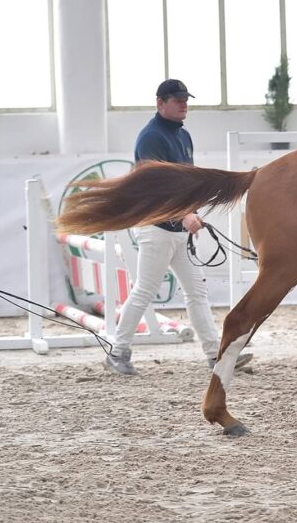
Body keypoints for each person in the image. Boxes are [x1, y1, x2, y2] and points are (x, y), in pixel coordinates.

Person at [104, 79, 253, 375]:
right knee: (145, 290)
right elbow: (157, 186)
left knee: (196, 293)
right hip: (157, 227)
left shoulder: (183, 136)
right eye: (177, 99)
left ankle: (215, 354)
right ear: (160, 102)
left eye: (186, 99)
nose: (184, 104)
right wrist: (185, 213)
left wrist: (193, 211)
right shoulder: (151, 138)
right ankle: (118, 352)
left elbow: (186, 182)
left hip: (179, 230)